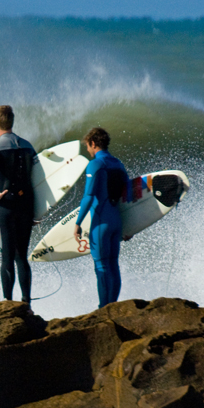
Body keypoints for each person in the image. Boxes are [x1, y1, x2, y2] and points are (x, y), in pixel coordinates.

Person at [0, 105, 35, 304]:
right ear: (11, 122)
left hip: (6, 207)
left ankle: (8, 302)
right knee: (22, 257)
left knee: (7, 258)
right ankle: (26, 302)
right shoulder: (28, 146)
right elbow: (37, 179)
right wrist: (35, 211)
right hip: (26, 207)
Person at [74, 127, 131, 308]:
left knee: (101, 267)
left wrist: (78, 223)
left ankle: (103, 308)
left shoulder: (95, 165)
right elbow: (128, 197)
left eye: (88, 147)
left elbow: (88, 197)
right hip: (116, 222)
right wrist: (130, 227)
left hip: (101, 223)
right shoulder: (118, 164)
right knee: (113, 265)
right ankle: (112, 306)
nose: (88, 151)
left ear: (93, 143)